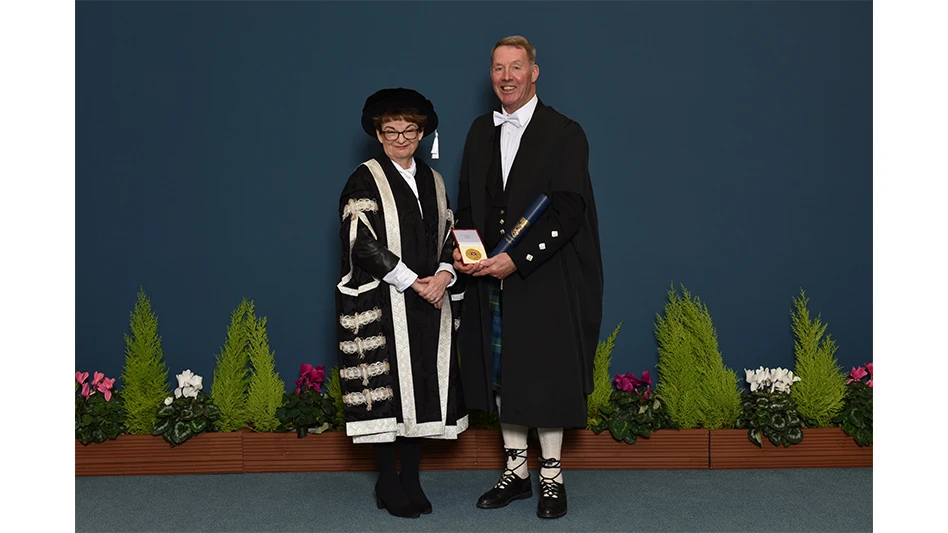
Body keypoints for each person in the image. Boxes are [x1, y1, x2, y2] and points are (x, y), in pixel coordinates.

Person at [452, 36, 603, 519]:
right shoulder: (480, 131)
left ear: (534, 72)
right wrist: (469, 254)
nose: (507, 77)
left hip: (544, 275)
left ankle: (552, 476)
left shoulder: (564, 132)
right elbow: (469, 204)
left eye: (516, 67)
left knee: (544, 375)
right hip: (490, 275)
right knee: (504, 378)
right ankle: (516, 472)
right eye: (499, 68)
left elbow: (569, 208)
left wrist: (517, 259)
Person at [336, 88, 468, 519]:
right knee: (387, 390)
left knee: (421, 389)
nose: (401, 137)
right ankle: (387, 480)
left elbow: (452, 234)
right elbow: (361, 243)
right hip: (385, 299)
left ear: (423, 131)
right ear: (377, 132)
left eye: (410, 129)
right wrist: (414, 281)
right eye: (391, 130)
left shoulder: (435, 180)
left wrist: (445, 275)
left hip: (430, 300)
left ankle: (411, 477)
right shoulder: (364, 178)